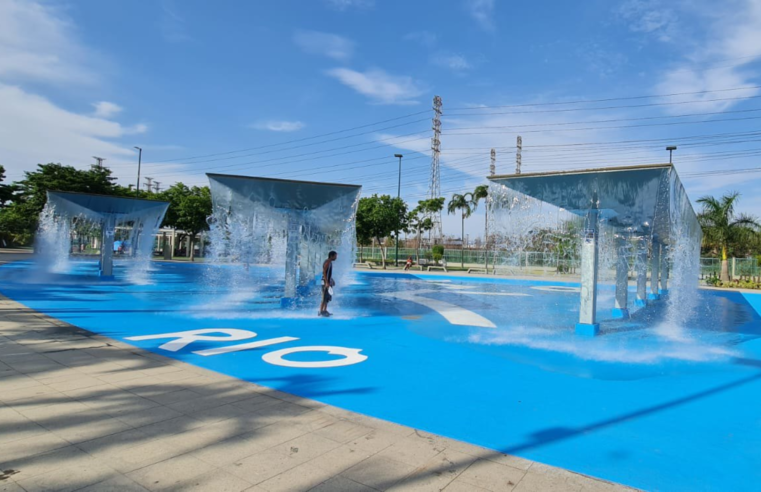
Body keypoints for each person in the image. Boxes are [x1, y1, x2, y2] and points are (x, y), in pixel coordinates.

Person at [319, 250, 337, 317]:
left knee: (327, 297)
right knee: (324, 297)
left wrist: (332, 280)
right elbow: (324, 272)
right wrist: (326, 282)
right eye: (335, 256)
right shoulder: (327, 262)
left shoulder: (330, 262)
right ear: (331, 256)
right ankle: (321, 311)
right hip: (325, 282)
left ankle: (325, 310)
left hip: (328, 282)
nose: (336, 257)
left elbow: (328, 273)